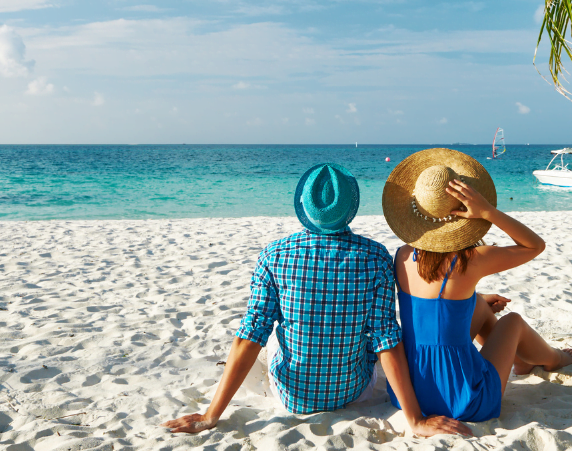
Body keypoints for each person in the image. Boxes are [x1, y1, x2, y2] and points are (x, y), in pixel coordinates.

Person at [163, 162, 470, 438]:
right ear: (351, 208)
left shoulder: (275, 254)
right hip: (353, 391)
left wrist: (209, 417)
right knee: (370, 330)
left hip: (292, 397)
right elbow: (385, 339)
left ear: (304, 206)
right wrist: (414, 419)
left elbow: (250, 335)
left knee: (265, 334)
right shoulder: (375, 256)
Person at [381, 149, 572, 423]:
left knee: (478, 303)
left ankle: (520, 361)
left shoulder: (403, 255)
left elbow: (432, 307)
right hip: (464, 398)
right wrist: (488, 211)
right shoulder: (470, 259)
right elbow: (535, 245)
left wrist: (477, 299)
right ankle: (554, 359)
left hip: (410, 392)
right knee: (513, 322)